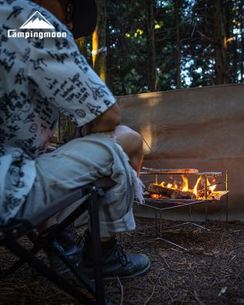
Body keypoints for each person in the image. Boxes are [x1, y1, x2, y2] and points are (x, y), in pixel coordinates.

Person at [0, 0, 150, 279]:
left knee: (35, 159)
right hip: (7, 190)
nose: (68, 27)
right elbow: (107, 116)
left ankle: (59, 242)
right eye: (71, 17)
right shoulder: (33, 21)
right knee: (127, 140)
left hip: (11, 173)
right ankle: (101, 254)